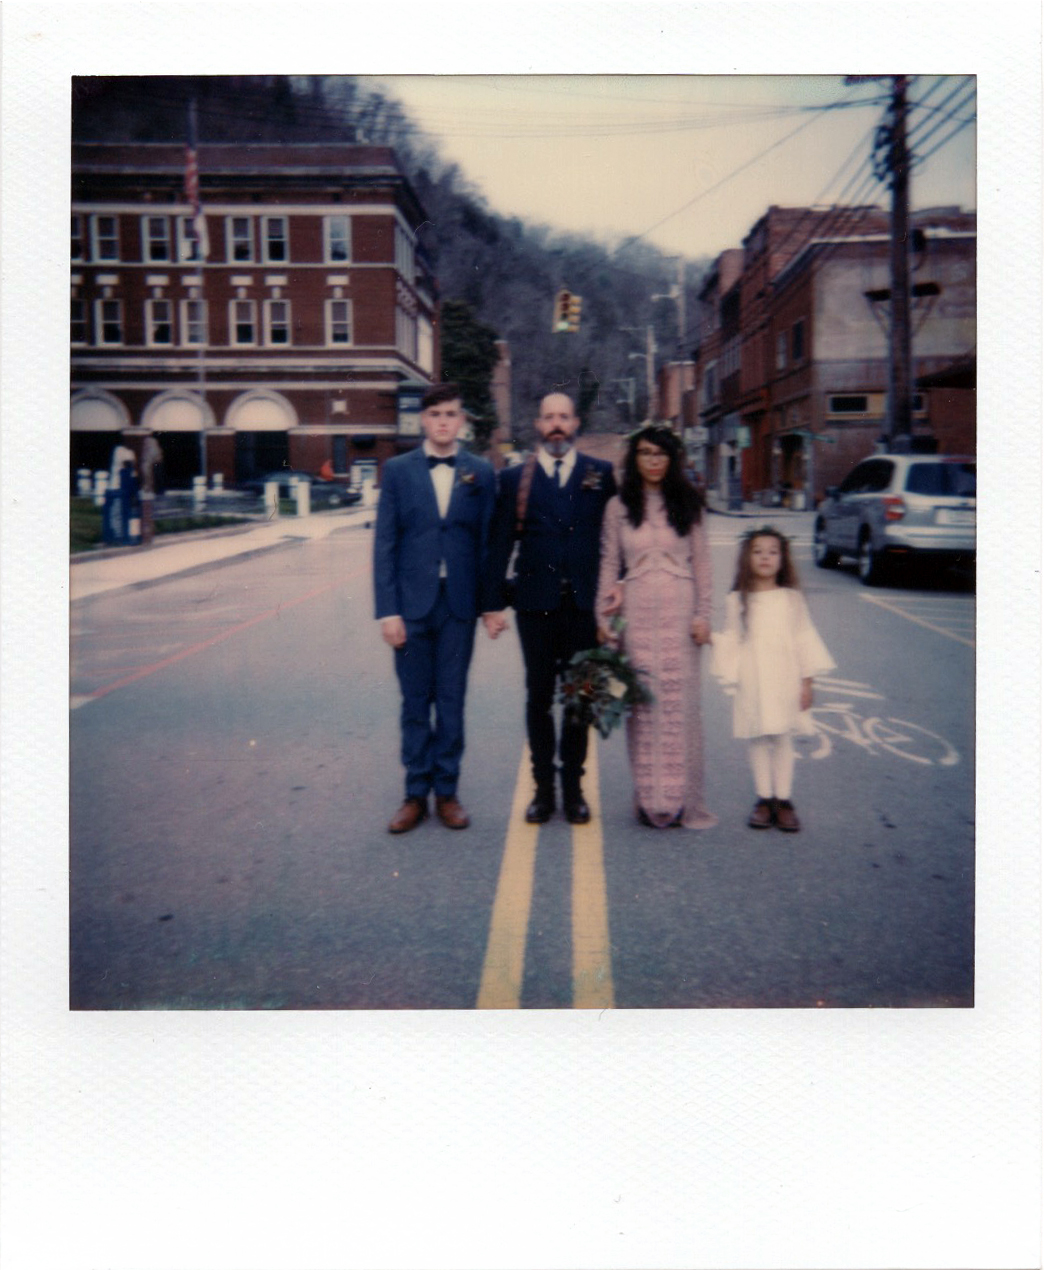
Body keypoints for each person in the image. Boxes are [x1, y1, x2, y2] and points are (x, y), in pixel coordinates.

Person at [373, 383, 502, 834]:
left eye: (451, 414)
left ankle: (446, 792)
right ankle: (415, 794)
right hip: (411, 606)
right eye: (435, 415)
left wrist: (492, 605)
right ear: (423, 421)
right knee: (414, 702)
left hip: (458, 606)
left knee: (451, 700)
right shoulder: (398, 470)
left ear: (462, 421)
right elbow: (385, 544)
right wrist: (388, 611)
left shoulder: (480, 472)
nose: (443, 422)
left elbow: (488, 543)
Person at [486, 391, 616, 824]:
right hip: (535, 607)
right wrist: (492, 605)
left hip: (583, 607)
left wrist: (619, 588)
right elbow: (500, 544)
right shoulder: (514, 480)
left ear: (575, 423)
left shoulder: (600, 473)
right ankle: (543, 789)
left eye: (564, 416)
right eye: (549, 417)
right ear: (538, 425)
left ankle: (574, 789)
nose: (557, 424)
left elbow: (614, 540)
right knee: (539, 698)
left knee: (581, 699)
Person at [596, 425, 718, 830]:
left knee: (679, 704)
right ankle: (651, 799)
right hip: (637, 613)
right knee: (644, 704)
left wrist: (703, 615)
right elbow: (609, 563)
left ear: (672, 459)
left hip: (680, 612)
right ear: (635, 458)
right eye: (646, 453)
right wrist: (603, 618)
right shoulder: (618, 507)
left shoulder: (689, 502)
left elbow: (702, 564)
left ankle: (681, 800)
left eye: (661, 453)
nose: (653, 461)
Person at [712, 527, 835, 833]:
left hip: (784, 679)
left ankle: (784, 800)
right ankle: (764, 799)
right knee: (758, 736)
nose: (765, 557)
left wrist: (807, 682)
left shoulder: (791, 599)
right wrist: (708, 638)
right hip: (753, 679)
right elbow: (732, 638)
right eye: (757, 551)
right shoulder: (737, 600)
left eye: (772, 552)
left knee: (782, 737)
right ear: (747, 558)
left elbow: (805, 639)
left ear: (782, 559)